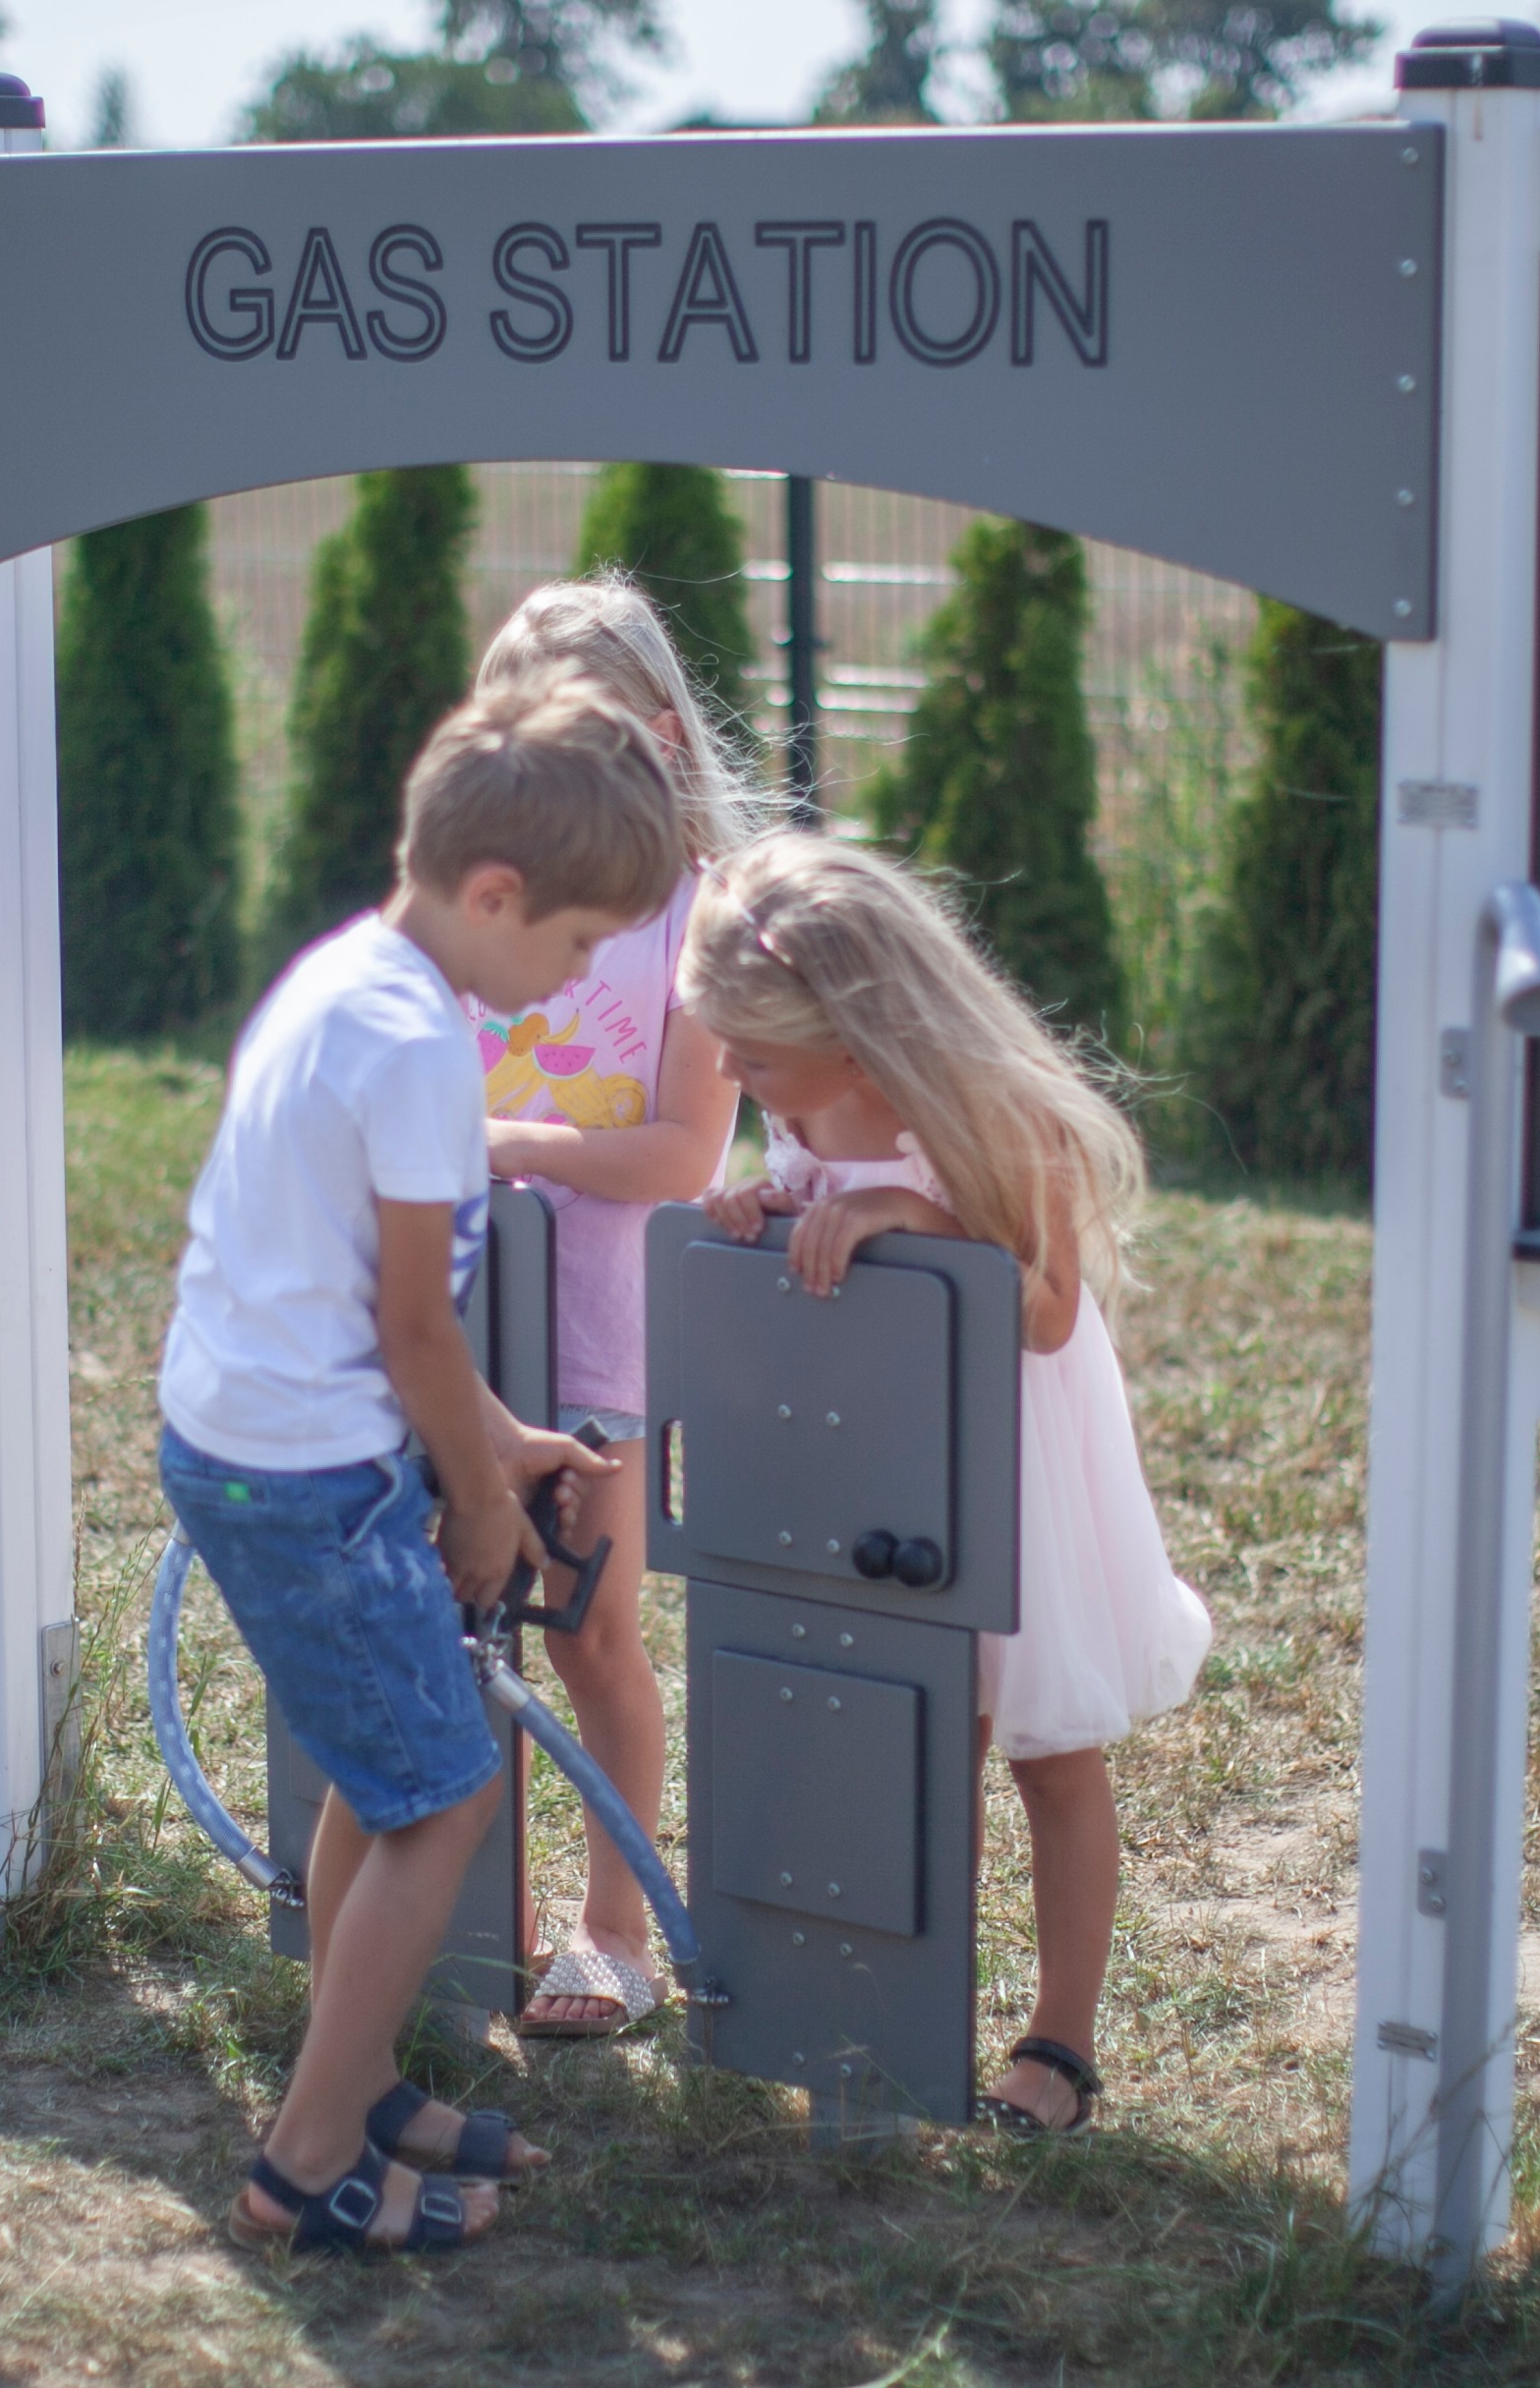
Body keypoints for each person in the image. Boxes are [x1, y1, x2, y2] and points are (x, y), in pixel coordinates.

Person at [158, 672, 685, 2252]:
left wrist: (500, 1443)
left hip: (251, 1443)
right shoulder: (419, 1052)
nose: (580, 975)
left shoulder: (342, 980)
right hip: (312, 1476)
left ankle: (363, 2072)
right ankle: (306, 2158)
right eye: (579, 944)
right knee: (446, 1791)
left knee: (388, 1776)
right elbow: (410, 1325)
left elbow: (350, 1300)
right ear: (495, 890)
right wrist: (476, 1498)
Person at [681, 829, 1212, 2136]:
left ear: (855, 1039)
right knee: (906, 1747)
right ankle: (893, 2016)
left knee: (1042, 1747)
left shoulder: (989, 1107)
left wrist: (919, 1225)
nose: (726, 1074)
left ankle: (1059, 2040)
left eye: (748, 1055)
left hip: (1007, 1453)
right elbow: (819, 1222)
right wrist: (767, 1206)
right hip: (875, 1454)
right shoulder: (794, 1093)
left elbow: (1041, 1312)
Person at [462, 575, 768, 2039]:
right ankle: (483, 1912)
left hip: (598, 1351)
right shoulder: (497, 906)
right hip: (469, 1346)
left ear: (656, 738)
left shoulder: (698, 923)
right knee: (470, 1627)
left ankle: (611, 1928)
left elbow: (683, 1152)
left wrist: (514, 1145)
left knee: (584, 1635)